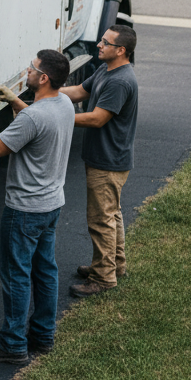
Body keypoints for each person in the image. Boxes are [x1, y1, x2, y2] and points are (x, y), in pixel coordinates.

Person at [0, 49, 74, 365]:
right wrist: (13, 100)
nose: (28, 70)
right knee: (45, 270)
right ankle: (43, 335)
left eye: (32, 68)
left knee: (17, 275)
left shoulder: (35, 116)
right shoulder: (62, 104)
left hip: (24, 211)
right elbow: (35, 121)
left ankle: (12, 345)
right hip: (51, 206)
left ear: (44, 77)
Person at [60, 24, 139, 298]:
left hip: (108, 161)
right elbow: (81, 92)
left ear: (121, 50)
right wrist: (50, 95)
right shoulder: (106, 69)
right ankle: (114, 265)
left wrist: (56, 117)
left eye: (105, 42)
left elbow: (97, 118)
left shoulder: (120, 81)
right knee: (111, 214)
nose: (99, 45)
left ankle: (103, 278)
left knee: (100, 219)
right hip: (106, 158)